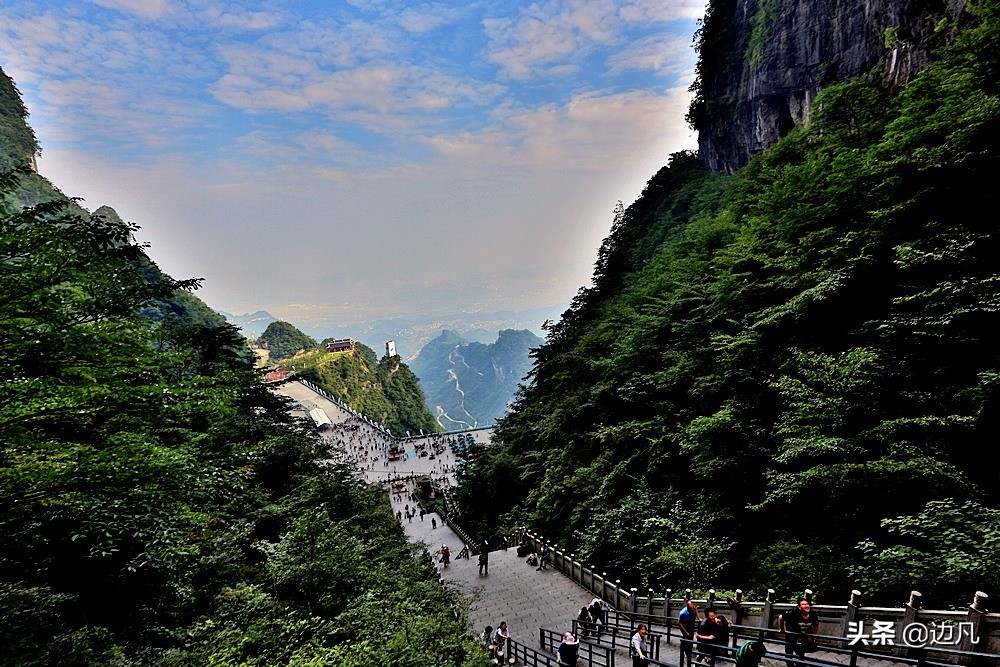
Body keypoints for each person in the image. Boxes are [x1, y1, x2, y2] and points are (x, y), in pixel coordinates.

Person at [778, 598, 819, 667]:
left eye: (807, 604)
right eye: (803, 604)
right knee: (789, 655)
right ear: (799, 607)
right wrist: (782, 629)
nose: (806, 606)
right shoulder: (793, 613)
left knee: (800, 656)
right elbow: (781, 617)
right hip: (791, 636)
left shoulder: (813, 614)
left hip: (803, 637)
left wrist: (810, 636)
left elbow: (816, 625)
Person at [678, 599, 701, 666]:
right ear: (688, 607)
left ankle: (689, 650)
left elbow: (696, 610)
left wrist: (699, 618)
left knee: (691, 637)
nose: (692, 609)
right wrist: (686, 632)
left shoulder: (693, 608)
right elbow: (679, 623)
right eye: (691, 609)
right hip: (685, 624)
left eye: (693, 608)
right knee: (686, 637)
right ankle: (685, 651)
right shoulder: (683, 613)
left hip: (691, 623)